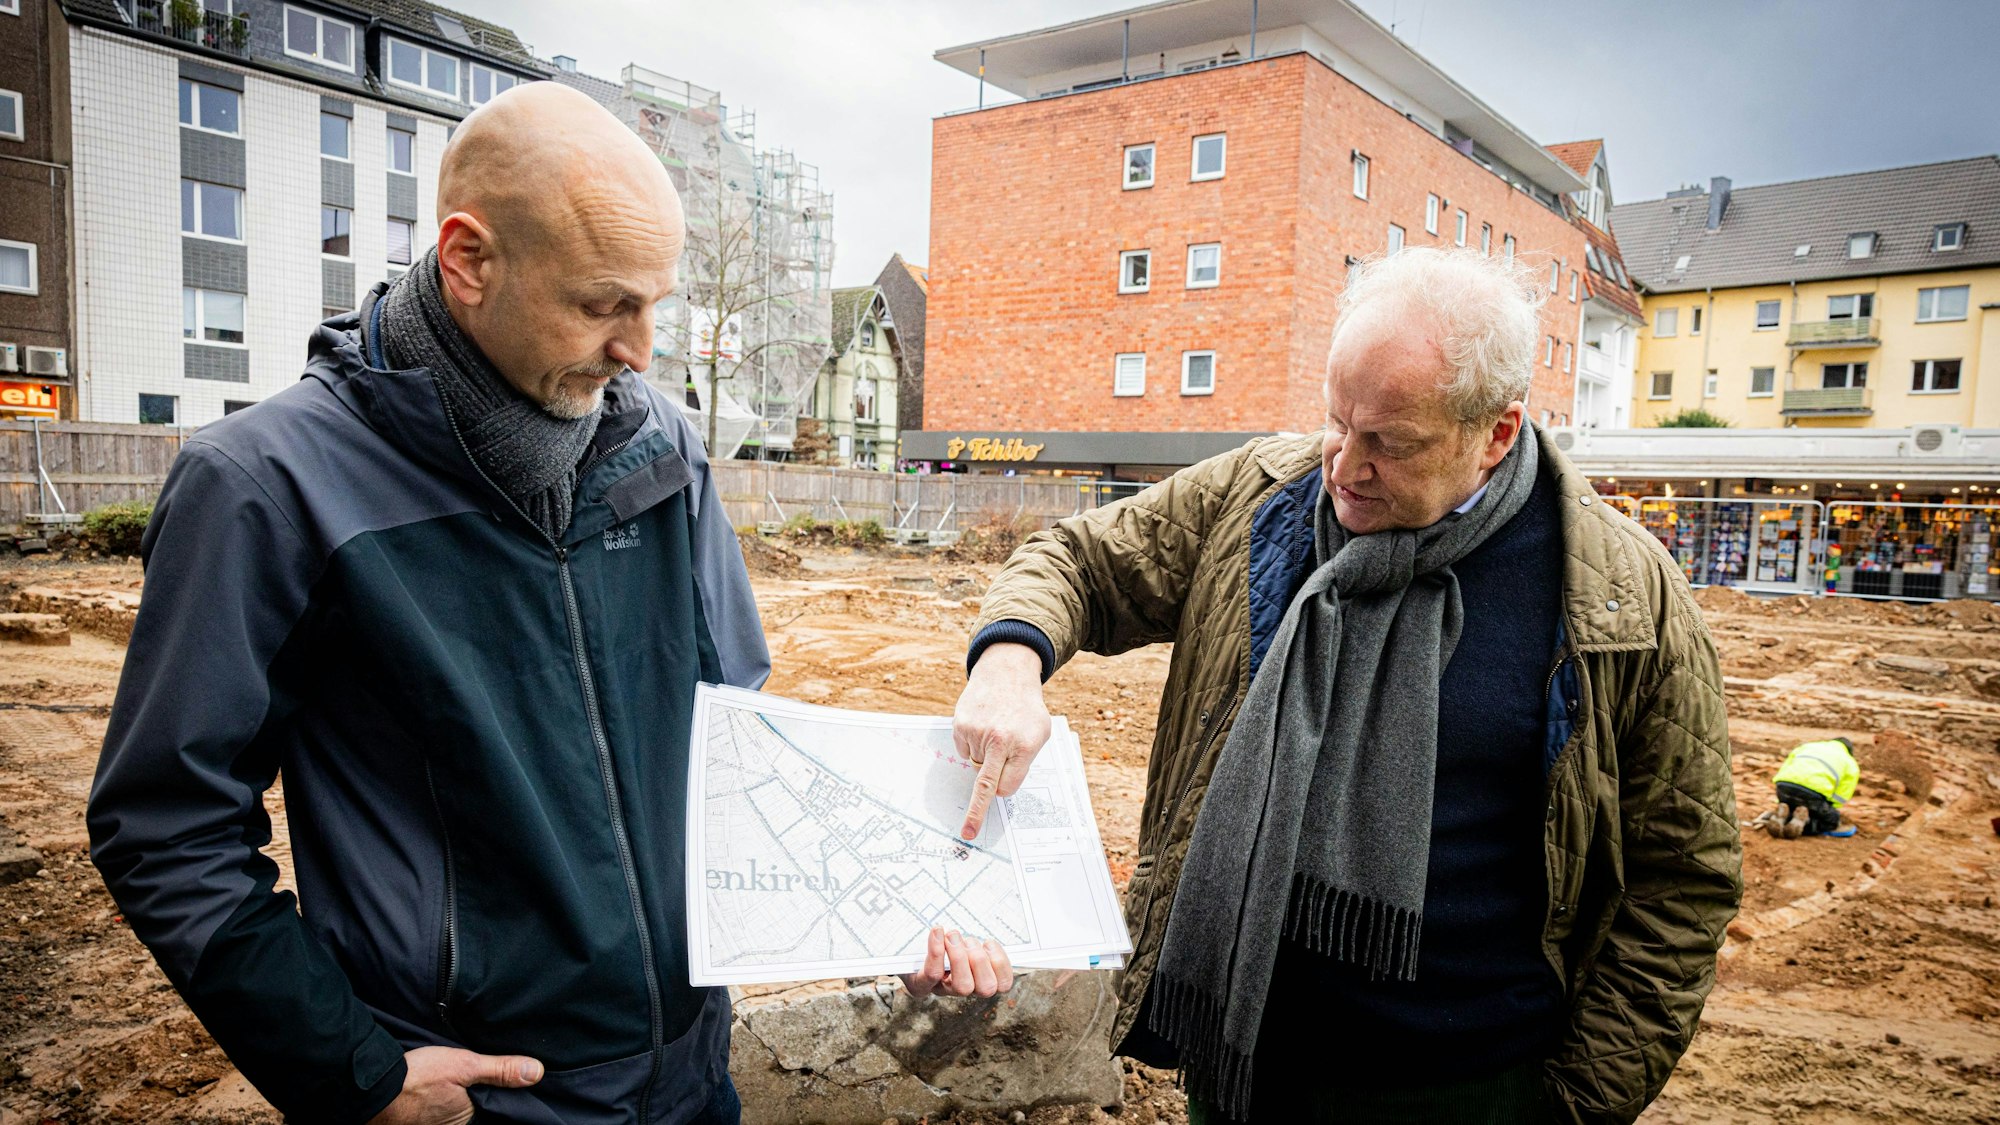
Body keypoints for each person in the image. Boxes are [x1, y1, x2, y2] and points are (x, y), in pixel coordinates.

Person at [88, 82, 1006, 1125]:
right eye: (603, 303)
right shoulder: (265, 486)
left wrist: (890, 917)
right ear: (468, 259)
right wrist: (353, 1073)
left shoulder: (660, 447)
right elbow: (166, 826)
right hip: (478, 1101)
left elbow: (736, 745)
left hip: (690, 1082)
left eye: (655, 301)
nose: (640, 349)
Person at [951, 248, 1742, 1124]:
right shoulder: (1260, 499)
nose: (1345, 465)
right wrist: (1009, 660)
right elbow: (1078, 561)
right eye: (1337, 419)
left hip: (1475, 1091)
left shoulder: (1620, 595)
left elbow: (1684, 877)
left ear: (1497, 433)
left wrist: (1574, 1105)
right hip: (1244, 1065)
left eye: (1390, 444)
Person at [1767, 737, 1859, 838]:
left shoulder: (1808, 746)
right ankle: (1805, 824)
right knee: (1831, 821)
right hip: (1813, 794)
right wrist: (1829, 808)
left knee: (1792, 806)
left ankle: (1782, 817)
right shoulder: (1850, 762)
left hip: (1784, 786)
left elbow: (1787, 765)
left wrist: (1780, 798)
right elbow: (1842, 794)